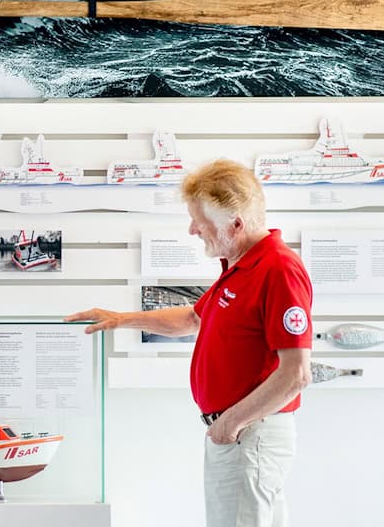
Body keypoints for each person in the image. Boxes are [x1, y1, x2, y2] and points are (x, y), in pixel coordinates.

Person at [66, 159, 312, 527]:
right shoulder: (238, 266)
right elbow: (194, 319)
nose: (193, 229)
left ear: (236, 224)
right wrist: (122, 319)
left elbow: (296, 374)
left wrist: (229, 423)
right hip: (237, 434)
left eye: (200, 221)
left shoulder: (277, 269)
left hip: (249, 434)